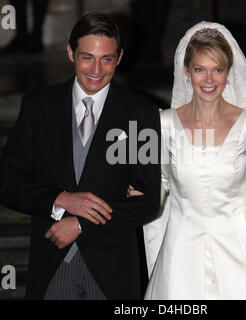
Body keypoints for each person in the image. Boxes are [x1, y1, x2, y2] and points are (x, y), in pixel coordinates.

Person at [0, 12, 161, 300]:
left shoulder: (138, 113)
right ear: (70, 52)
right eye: (87, 57)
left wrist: (80, 223)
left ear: (120, 57)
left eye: (107, 59)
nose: (97, 69)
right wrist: (59, 199)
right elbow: (8, 183)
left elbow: (148, 202)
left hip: (112, 272)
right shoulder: (39, 108)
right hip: (52, 264)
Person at [141, 21, 246, 300]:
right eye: (200, 69)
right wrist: (137, 190)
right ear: (186, 71)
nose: (209, 79)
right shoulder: (164, 124)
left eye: (217, 70)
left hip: (238, 251)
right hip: (180, 254)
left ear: (229, 73)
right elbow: (161, 186)